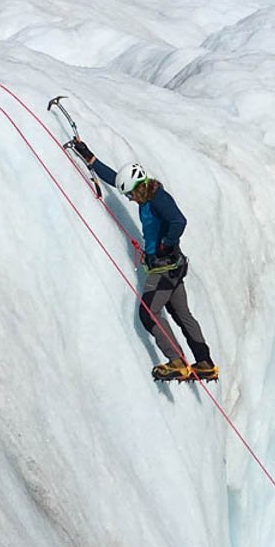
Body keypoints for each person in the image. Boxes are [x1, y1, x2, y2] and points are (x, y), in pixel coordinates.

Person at [67, 137, 217, 382]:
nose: (129, 199)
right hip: (174, 268)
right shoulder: (146, 193)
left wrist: (163, 245)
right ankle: (205, 363)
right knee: (182, 314)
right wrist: (89, 158)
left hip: (165, 268)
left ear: (138, 187)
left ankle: (177, 361)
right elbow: (116, 179)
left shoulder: (158, 199)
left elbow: (179, 221)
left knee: (148, 313)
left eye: (130, 195)